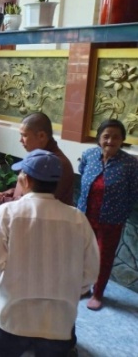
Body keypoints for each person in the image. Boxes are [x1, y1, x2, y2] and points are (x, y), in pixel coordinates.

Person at [0, 149, 100, 356]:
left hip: (12, 317)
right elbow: (90, 272)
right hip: (59, 322)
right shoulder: (78, 219)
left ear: (25, 179)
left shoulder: (7, 213)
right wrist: (71, 290)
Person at [77, 119, 138, 311]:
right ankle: (84, 287)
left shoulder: (130, 163)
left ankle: (98, 293)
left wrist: (122, 213)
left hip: (111, 220)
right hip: (86, 216)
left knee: (104, 257)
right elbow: (82, 174)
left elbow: (134, 191)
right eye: (106, 136)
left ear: (122, 140)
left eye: (116, 137)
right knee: (83, 254)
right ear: (99, 138)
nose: (110, 140)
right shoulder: (89, 155)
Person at [0, 112, 75, 219]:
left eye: (24, 135)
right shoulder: (38, 157)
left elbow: (34, 202)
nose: (20, 140)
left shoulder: (57, 164)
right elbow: (29, 189)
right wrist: (9, 193)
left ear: (41, 136)